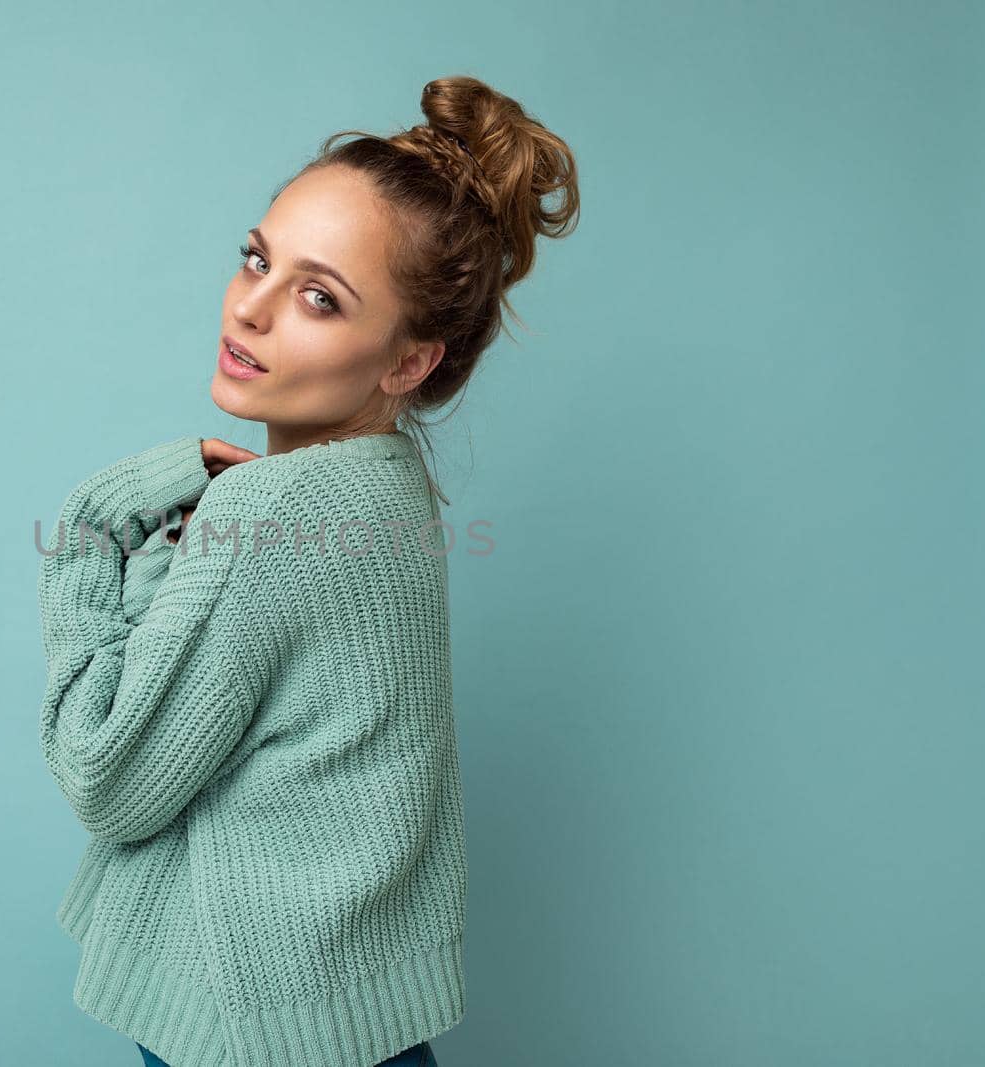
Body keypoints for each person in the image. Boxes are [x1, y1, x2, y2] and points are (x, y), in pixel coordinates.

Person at [37, 74, 579, 1067]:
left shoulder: (274, 511)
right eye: (257, 258)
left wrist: (89, 529)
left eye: (318, 297)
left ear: (409, 361)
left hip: (260, 1036)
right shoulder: (390, 487)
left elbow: (107, 774)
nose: (250, 307)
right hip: (346, 1019)